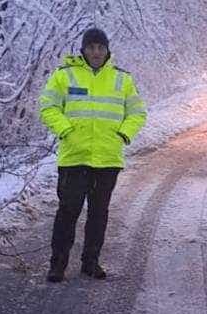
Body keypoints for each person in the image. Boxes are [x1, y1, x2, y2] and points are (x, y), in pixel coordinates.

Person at [38, 28, 147, 282]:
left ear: (107, 50)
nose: (96, 52)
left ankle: (91, 262)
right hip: (74, 158)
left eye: (100, 48)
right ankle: (58, 265)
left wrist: (123, 134)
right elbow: (48, 106)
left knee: (99, 213)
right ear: (83, 50)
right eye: (91, 47)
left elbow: (137, 112)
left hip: (108, 159)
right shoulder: (65, 76)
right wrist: (65, 130)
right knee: (68, 211)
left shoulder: (122, 79)